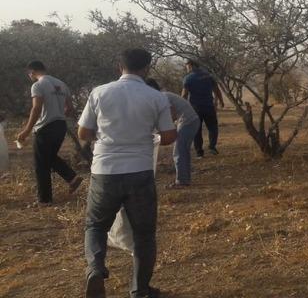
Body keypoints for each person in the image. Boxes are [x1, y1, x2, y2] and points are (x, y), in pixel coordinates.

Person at [78, 49, 177, 298]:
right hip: (139, 171)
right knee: (144, 234)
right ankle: (140, 290)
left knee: (96, 226)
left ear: (118, 66)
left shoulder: (99, 92)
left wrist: (103, 137)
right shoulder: (155, 97)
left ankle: (95, 270)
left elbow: (82, 132)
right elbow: (167, 137)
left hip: (104, 171)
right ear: (147, 68)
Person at [15, 60, 83, 205]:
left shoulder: (38, 85)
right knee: (49, 157)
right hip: (60, 126)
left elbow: (36, 108)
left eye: (29, 75)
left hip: (45, 127)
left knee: (41, 164)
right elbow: (69, 108)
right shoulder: (61, 84)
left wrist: (26, 130)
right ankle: (72, 177)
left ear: (32, 72)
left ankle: (44, 200)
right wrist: (58, 112)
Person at [145, 78, 200, 187]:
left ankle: (182, 181)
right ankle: (185, 179)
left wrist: (163, 130)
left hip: (187, 121)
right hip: (191, 120)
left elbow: (172, 114)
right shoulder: (161, 96)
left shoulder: (162, 97)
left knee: (178, 151)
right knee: (183, 151)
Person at [182, 60, 224, 157]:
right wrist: (221, 101)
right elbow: (216, 90)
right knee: (213, 128)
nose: (186, 68)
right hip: (209, 106)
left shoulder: (187, 78)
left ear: (191, 65)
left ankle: (199, 152)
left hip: (195, 108)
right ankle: (212, 146)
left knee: (197, 130)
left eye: (187, 66)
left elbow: (184, 94)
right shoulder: (208, 76)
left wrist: (182, 107)